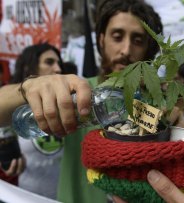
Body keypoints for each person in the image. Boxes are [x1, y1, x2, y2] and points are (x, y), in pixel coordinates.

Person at [0, 0, 163, 202]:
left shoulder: (159, 106)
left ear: (149, 49)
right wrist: (26, 88)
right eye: (117, 37)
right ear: (101, 39)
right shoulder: (79, 89)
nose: (126, 50)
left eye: (138, 40)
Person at [10, 43, 64, 199]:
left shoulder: (67, 105)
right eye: (49, 62)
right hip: (27, 196)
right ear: (29, 67)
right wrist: (8, 161)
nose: (58, 69)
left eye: (58, 63)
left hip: (64, 197)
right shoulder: (13, 112)